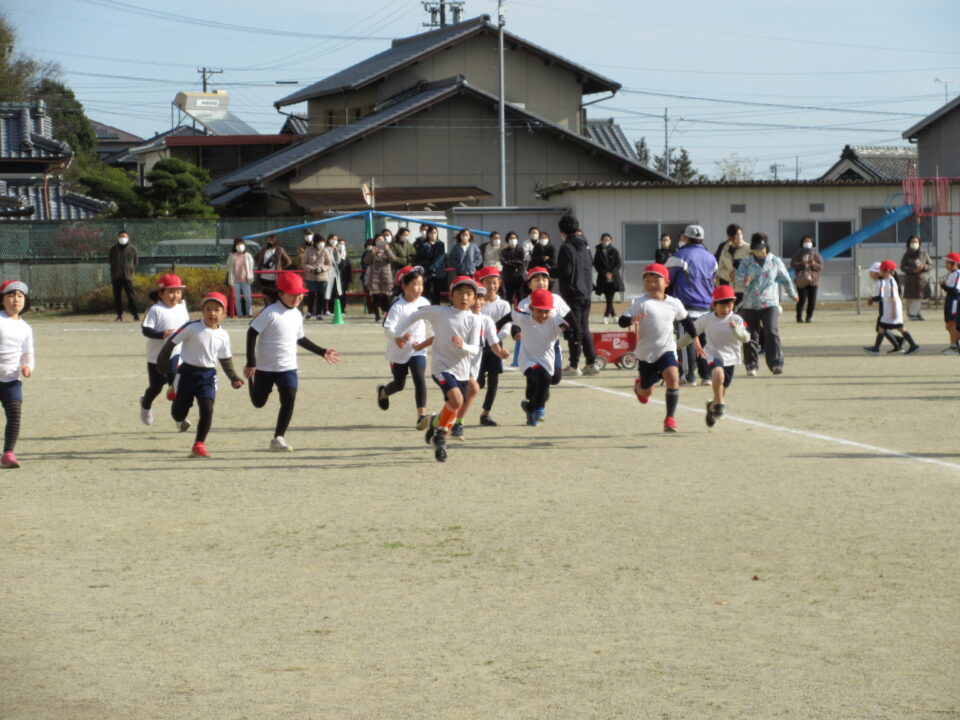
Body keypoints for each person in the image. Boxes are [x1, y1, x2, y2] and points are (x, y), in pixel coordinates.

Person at [393, 276, 485, 462]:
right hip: (441, 367)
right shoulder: (440, 312)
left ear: (475, 298)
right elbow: (415, 315)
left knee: (454, 405)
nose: (464, 297)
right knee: (457, 400)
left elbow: (476, 348)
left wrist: (463, 346)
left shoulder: (474, 320)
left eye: (469, 294)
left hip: (462, 370)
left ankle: (435, 423)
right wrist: (398, 333)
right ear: (451, 295)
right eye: (460, 293)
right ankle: (440, 436)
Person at [245, 272, 340, 452]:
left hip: (288, 367)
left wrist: (321, 351)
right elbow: (251, 333)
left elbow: (300, 338)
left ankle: (278, 437)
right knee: (258, 402)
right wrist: (251, 363)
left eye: (300, 294)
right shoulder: (270, 312)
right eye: (293, 294)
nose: (297, 297)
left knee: (289, 398)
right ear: (281, 294)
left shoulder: (297, 314)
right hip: (265, 367)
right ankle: (252, 379)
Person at [156, 292, 245, 458]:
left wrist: (234, 378)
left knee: (207, 409)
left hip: (208, 377)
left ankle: (199, 444)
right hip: (187, 374)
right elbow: (171, 343)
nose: (212, 313)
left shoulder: (223, 335)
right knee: (179, 413)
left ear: (224, 313)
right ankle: (174, 393)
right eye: (208, 309)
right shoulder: (192, 327)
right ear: (202, 311)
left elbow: (225, 359)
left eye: (217, 310)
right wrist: (162, 364)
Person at [618, 263, 700, 433]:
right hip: (646, 354)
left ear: (667, 283)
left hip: (666, 349)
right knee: (646, 392)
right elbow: (622, 321)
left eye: (656, 280)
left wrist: (696, 340)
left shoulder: (674, 303)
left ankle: (670, 419)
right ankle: (639, 387)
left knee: (673, 377)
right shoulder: (641, 303)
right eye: (648, 281)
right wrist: (632, 319)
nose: (652, 284)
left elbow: (687, 322)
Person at [683, 285, 750, 428]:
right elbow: (691, 333)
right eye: (722, 305)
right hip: (712, 354)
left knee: (723, 386)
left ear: (734, 303)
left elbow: (746, 338)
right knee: (718, 375)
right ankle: (720, 405)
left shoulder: (737, 319)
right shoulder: (706, 319)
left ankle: (712, 405)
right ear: (714, 305)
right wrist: (674, 345)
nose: (726, 308)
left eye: (729, 304)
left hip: (730, 357)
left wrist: (736, 329)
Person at [735, 232, 798, 376]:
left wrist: (792, 294)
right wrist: (744, 280)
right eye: (755, 249)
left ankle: (776, 363)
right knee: (750, 334)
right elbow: (738, 278)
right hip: (750, 304)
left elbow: (786, 279)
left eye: (760, 249)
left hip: (769, 303)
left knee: (771, 331)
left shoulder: (775, 261)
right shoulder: (746, 262)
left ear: (766, 247)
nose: (758, 252)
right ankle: (751, 365)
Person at [378, 265, 432, 429]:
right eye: (415, 284)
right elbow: (388, 329)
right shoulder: (397, 306)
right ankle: (383, 392)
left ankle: (421, 416)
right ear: (404, 286)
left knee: (419, 378)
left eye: (421, 284)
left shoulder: (424, 303)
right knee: (399, 384)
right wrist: (398, 337)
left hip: (418, 349)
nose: (419, 288)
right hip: (398, 351)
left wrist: (436, 336)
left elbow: (432, 323)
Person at [666, 224, 717, 385]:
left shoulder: (680, 255)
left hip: (685, 305)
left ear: (687, 238)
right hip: (706, 306)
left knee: (686, 341)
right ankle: (706, 375)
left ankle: (688, 376)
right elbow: (713, 276)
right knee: (704, 341)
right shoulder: (711, 258)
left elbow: (667, 278)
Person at [511, 289, 568, 427]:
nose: (543, 315)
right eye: (539, 311)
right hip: (528, 358)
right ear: (531, 308)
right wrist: (513, 331)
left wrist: (573, 335)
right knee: (540, 379)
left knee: (547, 382)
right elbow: (511, 317)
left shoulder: (555, 314)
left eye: (546, 312)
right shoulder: (524, 312)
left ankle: (530, 408)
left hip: (548, 354)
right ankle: (539, 409)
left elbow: (568, 324)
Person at [139, 273, 189, 426]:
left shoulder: (182, 308)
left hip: (176, 353)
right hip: (156, 357)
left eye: (178, 292)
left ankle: (179, 419)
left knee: (175, 383)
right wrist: (161, 334)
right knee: (155, 388)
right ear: (161, 293)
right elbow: (145, 329)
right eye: (171, 292)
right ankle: (145, 404)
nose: (175, 295)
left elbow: (187, 327)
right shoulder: (155, 309)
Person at [556, 214, 599, 376]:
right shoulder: (585, 245)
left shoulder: (566, 247)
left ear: (562, 230)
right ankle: (591, 362)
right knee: (584, 328)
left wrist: (550, 271)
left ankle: (574, 365)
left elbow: (565, 271)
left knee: (574, 327)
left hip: (573, 292)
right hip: (586, 291)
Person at [0, 281, 34, 468]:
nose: (16, 300)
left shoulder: (25, 328)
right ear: (2, 300)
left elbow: (28, 354)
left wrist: (28, 366)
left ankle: (8, 454)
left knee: (14, 414)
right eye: (11, 295)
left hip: (12, 380)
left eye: (20, 296)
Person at [475, 266, 511, 427]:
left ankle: (486, 414)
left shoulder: (504, 305)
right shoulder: (477, 303)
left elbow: (507, 327)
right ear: (481, 283)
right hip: (477, 347)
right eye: (487, 282)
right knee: (478, 382)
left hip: (496, 345)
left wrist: (494, 340)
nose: (491, 286)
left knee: (494, 381)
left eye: (494, 282)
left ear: (500, 283)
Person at [864, 260, 920, 355]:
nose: (879, 271)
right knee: (893, 328)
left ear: (887, 270)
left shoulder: (890, 282)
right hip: (891, 308)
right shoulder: (888, 281)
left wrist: (893, 312)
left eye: (881, 269)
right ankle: (912, 345)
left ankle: (876, 349)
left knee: (884, 327)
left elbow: (893, 298)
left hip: (892, 309)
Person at [791, 235, 824, 323]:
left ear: (812, 243)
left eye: (809, 242)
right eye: (805, 242)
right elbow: (793, 264)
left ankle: (809, 317)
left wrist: (814, 264)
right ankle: (799, 317)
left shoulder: (816, 255)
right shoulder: (798, 254)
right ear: (802, 243)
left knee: (812, 301)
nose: (807, 243)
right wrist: (803, 263)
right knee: (801, 300)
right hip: (801, 280)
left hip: (813, 281)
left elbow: (821, 267)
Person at [301, 231, 333, 319]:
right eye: (320, 242)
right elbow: (303, 263)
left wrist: (322, 269)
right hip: (310, 277)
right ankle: (309, 312)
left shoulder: (325, 251)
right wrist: (311, 269)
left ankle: (319, 313)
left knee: (320, 295)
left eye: (323, 242)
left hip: (322, 277)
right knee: (311, 294)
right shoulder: (308, 250)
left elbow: (329, 264)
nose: (322, 244)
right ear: (315, 242)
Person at [593, 232, 623, 324]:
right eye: (604, 240)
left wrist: (611, 273)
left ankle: (606, 316)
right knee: (608, 298)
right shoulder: (598, 252)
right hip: (603, 279)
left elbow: (618, 264)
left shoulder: (614, 251)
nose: (606, 241)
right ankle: (614, 316)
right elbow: (596, 265)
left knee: (610, 298)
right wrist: (605, 273)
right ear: (601, 240)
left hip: (614, 279)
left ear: (611, 241)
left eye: (608, 240)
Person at [363, 235, 395, 322]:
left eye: (382, 240)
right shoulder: (372, 250)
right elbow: (366, 261)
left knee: (386, 297)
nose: (380, 241)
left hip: (385, 277)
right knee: (375, 297)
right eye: (378, 240)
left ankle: (387, 314)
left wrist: (387, 250)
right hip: (374, 277)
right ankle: (377, 316)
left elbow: (393, 259)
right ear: (375, 241)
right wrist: (372, 252)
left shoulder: (388, 249)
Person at [108, 230, 139, 322]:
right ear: (118, 238)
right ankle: (119, 315)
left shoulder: (132, 249)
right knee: (117, 297)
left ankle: (135, 314)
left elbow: (135, 261)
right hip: (116, 276)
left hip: (127, 276)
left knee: (131, 296)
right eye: (121, 237)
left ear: (128, 238)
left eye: (124, 237)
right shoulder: (113, 249)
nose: (123, 239)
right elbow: (110, 260)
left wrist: (129, 269)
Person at [716, 224, 750, 306]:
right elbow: (720, 269)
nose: (739, 237)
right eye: (736, 234)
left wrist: (742, 275)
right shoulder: (724, 249)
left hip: (744, 290)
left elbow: (755, 269)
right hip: (729, 290)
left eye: (741, 234)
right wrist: (729, 274)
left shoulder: (749, 249)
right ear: (729, 236)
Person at [901, 235, 932, 321]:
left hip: (922, 280)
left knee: (919, 297)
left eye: (916, 242)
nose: (914, 243)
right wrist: (913, 270)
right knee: (910, 297)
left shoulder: (924, 254)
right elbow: (903, 267)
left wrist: (924, 267)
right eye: (912, 242)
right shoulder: (906, 255)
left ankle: (916, 313)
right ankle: (911, 314)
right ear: (909, 243)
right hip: (910, 280)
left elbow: (930, 265)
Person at [415, 225, 447, 305]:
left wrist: (433, 267)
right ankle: (425, 306)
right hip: (426, 271)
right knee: (426, 290)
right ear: (428, 234)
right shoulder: (423, 244)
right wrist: (427, 247)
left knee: (437, 291)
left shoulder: (440, 244)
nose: (433, 234)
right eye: (431, 233)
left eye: (435, 232)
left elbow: (441, 256)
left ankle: (436, 307)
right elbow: (421, 256)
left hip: (437, 271)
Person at [254, 234, 291, 301]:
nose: (269, 241)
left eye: (271, 240)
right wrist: (260, 264)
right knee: (265, 296)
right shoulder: (263, 250)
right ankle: (267, 306)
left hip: (274, 278)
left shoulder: (279, 250)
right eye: (268, 240)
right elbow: (256, 258)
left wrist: (280, 267)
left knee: (274, 296)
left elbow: (288, 261)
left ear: (275, 241)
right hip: (263, 277)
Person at [226, 237, 255, 318]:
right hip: (235, 280)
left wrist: (249, 275)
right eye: (238, 245)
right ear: (235, 246)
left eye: (241, 244)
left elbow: (251, 265)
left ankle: (249, 313)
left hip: (246, 280)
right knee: (237, 299)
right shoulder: (232, 256)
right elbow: (228, 266)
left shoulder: (248, 255)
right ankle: (240, 314)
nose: (240, 246)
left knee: (248, 298)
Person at [940, 252, 960, 353]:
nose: (946, 264)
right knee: (948, 325)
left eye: (948, 262)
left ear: (955, 263)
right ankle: (955, 344)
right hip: (950, 299)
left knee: (952, 324)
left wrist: (944, 286)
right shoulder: (950, 274)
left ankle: (954, 347)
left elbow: (955, 290)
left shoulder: (958, 273)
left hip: (955, 299)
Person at [501, 231, 526, 304]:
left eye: (514, 238)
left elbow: (522, 262)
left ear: (517, 239)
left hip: (519, 276)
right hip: (508, 277)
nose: (512, 240)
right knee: (509, 296)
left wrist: (510, 261)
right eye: (511, 238)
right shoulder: (504, 251)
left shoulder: (521, 249)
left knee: (520, 296)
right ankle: (509, 310)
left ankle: (520, 309)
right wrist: (515, 263)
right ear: (507, 240)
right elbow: (504, 262)